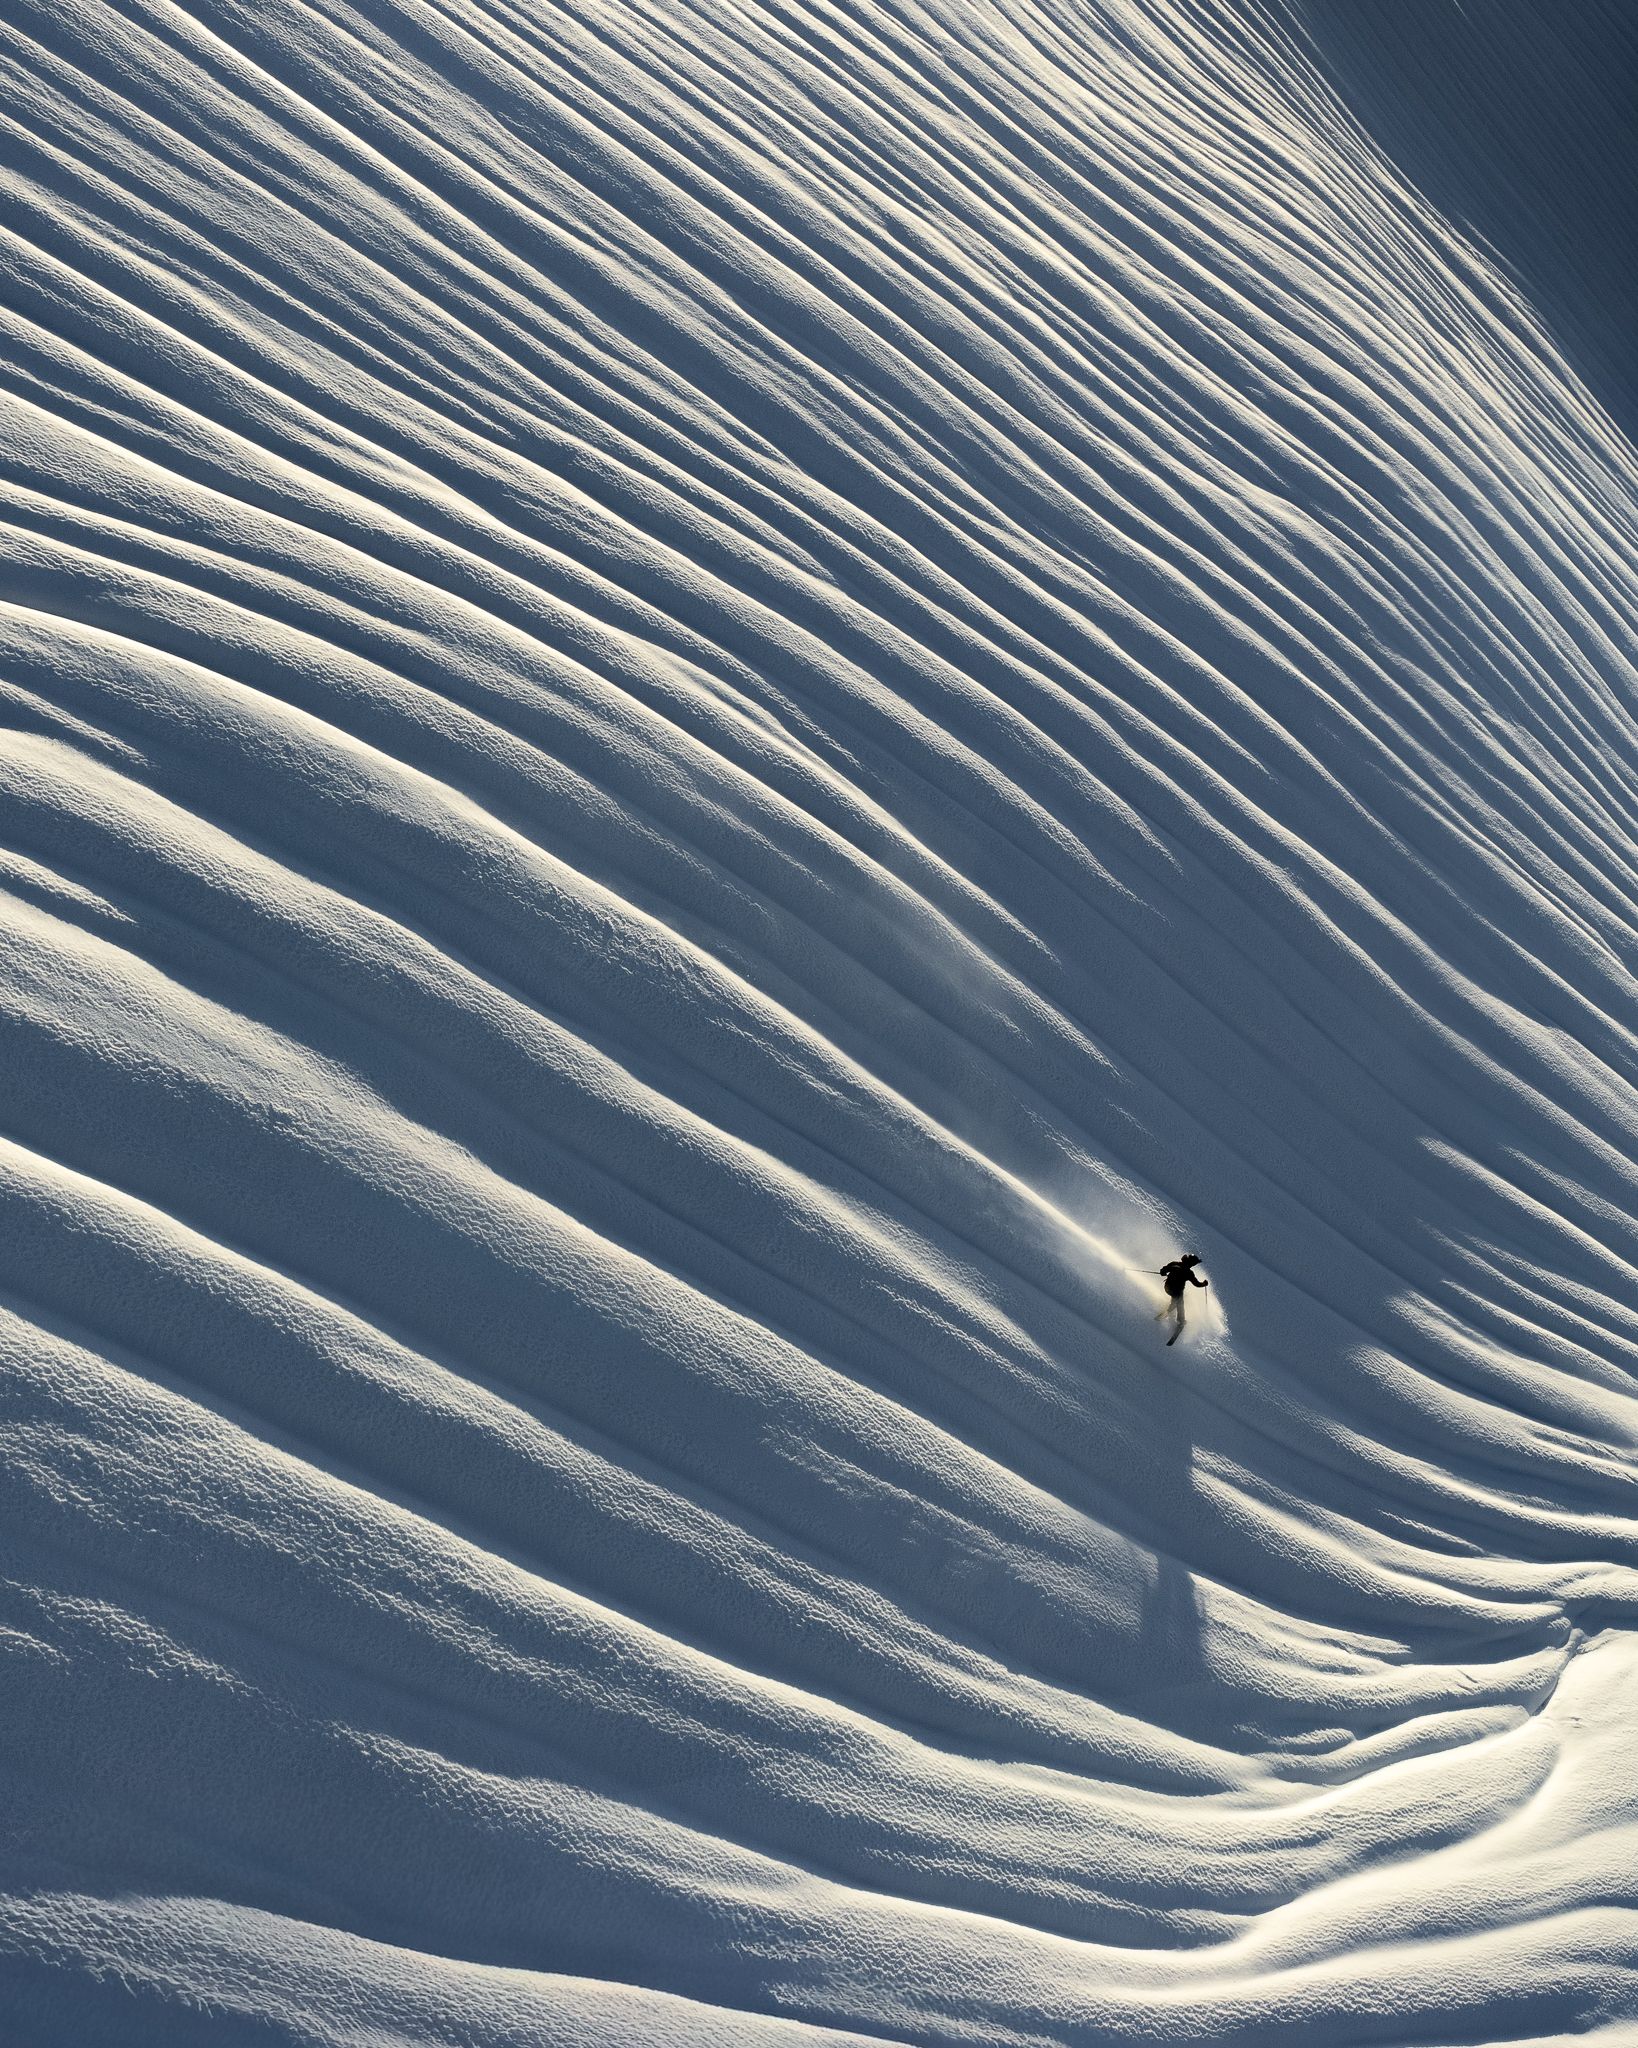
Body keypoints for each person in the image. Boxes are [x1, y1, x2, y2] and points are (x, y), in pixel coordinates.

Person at [1154, 1254, 1207, 1345]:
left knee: (1177, 1300)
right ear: (1191, 1263)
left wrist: (1164, 1272)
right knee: (1180, 1302)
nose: (1193, 1265)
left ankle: (1168, 1311)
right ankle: (1180, 1321)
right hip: (1176, 1291)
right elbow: (1197, 1284)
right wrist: (1204, 1284)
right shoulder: (1189, 1273)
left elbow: (1163, 1270)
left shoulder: (1175, 1264)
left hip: (1168, 1288)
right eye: (1194, 1263)